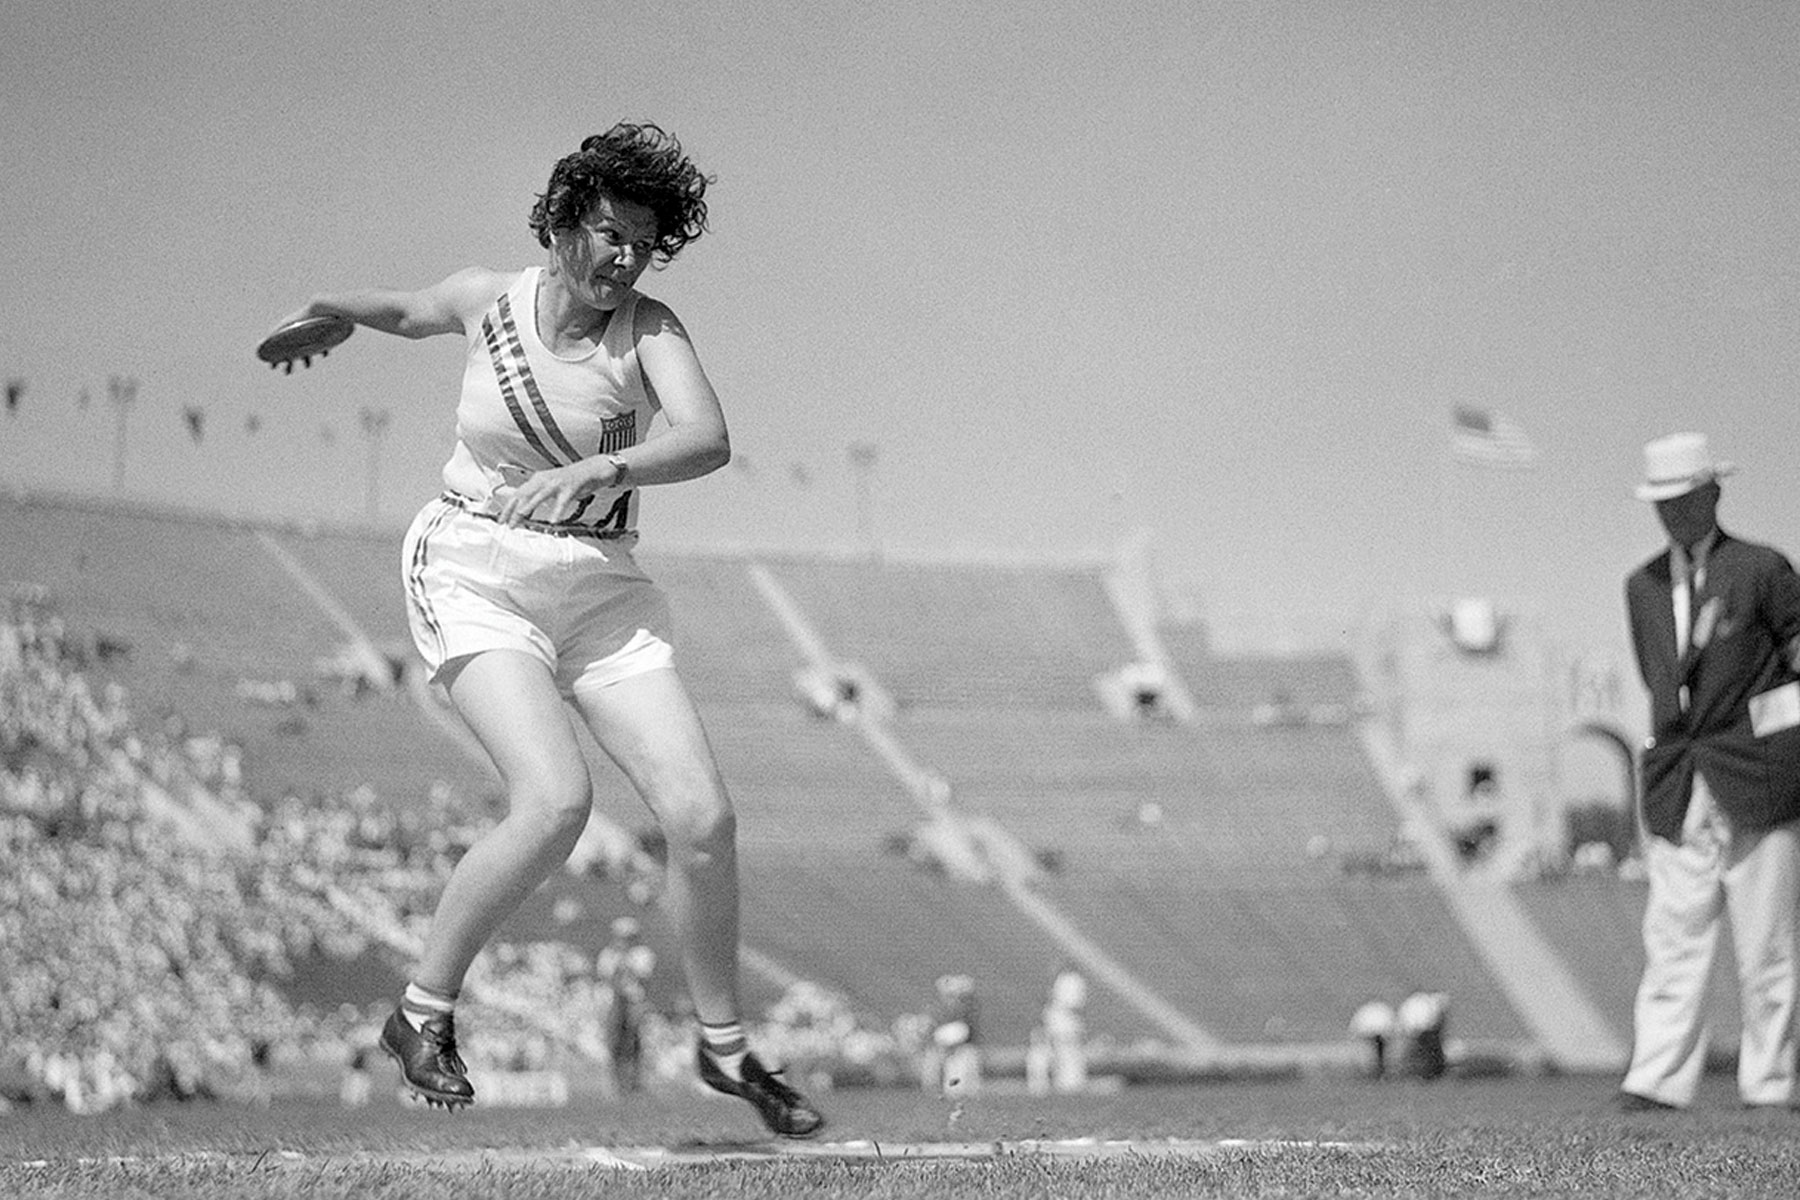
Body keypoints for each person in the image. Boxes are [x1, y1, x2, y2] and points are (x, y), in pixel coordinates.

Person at [262, 123, 823, 1137]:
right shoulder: (492, 299)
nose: (625, 261)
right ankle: (422, 1016)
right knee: (556, 801)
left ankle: (725, 1046)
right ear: (564, 225)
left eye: (645, 245)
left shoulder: (648, 330)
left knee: (703, 821)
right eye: (611, 235)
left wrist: (605, 469)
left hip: (600, 585)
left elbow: (707, 438)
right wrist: (332, 311)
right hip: (476, 565)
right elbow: (408, 308)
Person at [1618, 431, 1800, 1112]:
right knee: (1671, 935)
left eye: (1684, 499)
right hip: (1678, 779)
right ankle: (1657, 1081)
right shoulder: (1641, 586)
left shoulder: (1763, 569)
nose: (1673, 514)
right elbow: (1659, 680)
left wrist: (1773, 733)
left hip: (1759, 777)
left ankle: (1771, 1083)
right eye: (1662, 502)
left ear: (1714, 493)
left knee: (1767, 941)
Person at [596, 916, 655, 1092]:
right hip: (614, 1001)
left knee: (633, 1041)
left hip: (634, 1001)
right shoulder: (608, 954)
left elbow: (642, 976)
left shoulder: (642, 954)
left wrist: (625, 961)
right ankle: (617, 1083)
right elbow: (606, 976)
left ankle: (635, 1081)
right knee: (615, 1042)